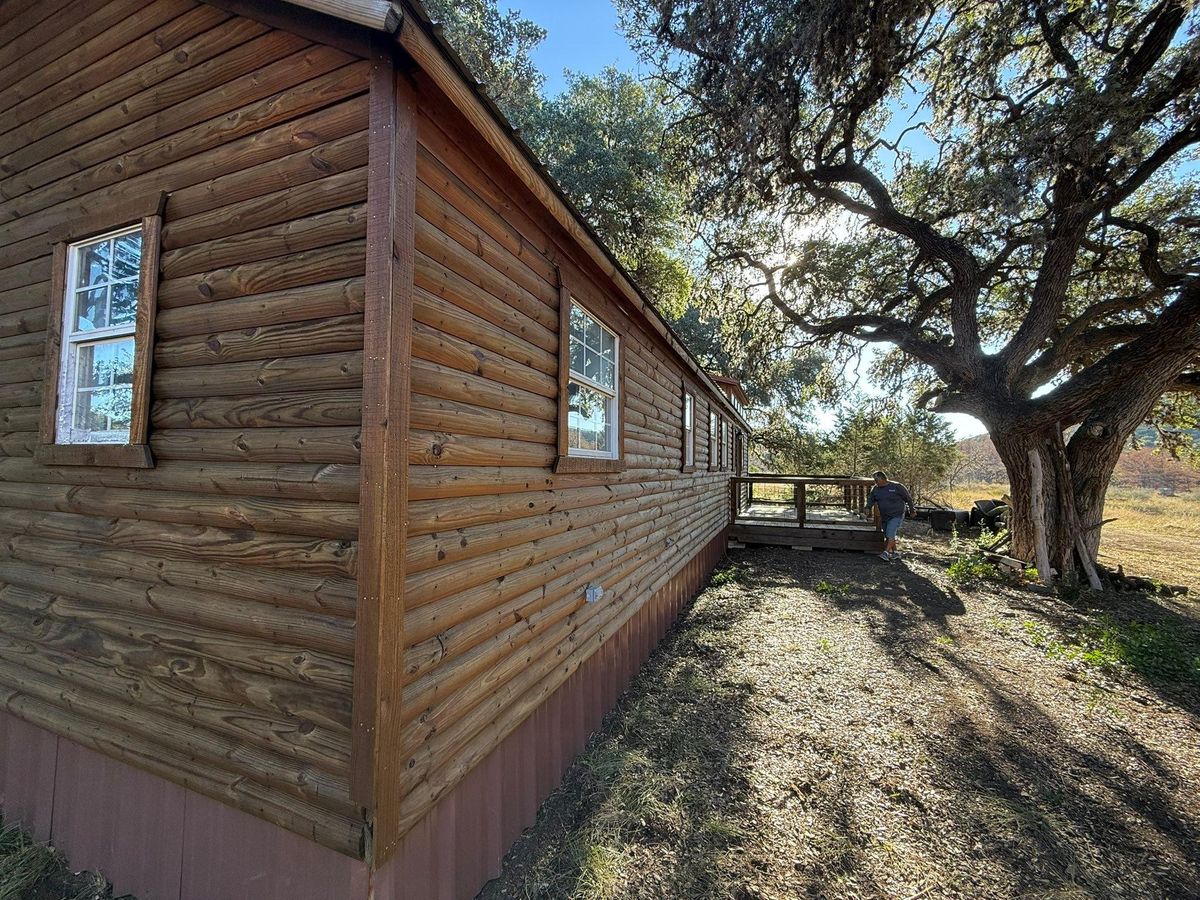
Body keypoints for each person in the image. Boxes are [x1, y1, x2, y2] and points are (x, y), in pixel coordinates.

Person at [864, 470, 914, 561]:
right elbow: (871, 498)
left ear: (882, 479)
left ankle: (886, 553)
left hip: (896, 514)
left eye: (876, 480)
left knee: (890, 532)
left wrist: (912, 510)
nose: (875, 482)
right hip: (885, 515)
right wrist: (868, 507)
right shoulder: (876, 489)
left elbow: (908, 498)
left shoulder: (897, 487)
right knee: (888, 534)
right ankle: (895, 553)